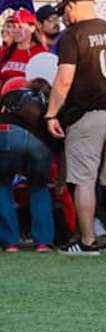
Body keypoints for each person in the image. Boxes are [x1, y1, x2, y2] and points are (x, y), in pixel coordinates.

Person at [45, 0, 106, 256]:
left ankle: (87, 241)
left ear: (72, 5)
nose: (65, 17)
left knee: (83, 180)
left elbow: (64, 80)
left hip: (87, 115)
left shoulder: (72, 35)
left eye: (65, 11)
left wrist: (51, 113)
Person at [0, 84, 57, 252]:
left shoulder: (10, 97)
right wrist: (61, 180)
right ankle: (43, 242)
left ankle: (10, 243)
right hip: (40, 141)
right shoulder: (49, 103)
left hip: (6, 133)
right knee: (39, 189)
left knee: (2, 187)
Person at [0, 8, 48, 89]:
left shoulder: (41, 54)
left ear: (32, 28)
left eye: (20, 27)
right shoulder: (4, 52)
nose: (16, 30)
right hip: (5, 99)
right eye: (14, 27)